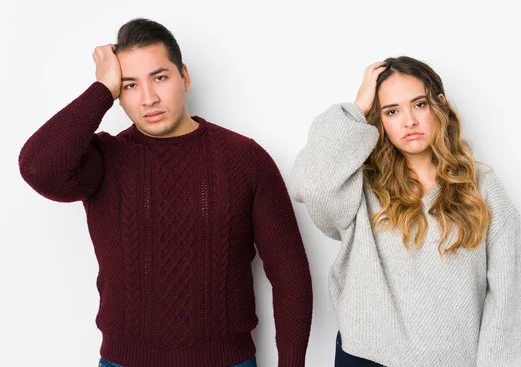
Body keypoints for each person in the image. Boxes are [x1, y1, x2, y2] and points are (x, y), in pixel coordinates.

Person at [19, 18, 313, 367]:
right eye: (128, 85)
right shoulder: (102, 161)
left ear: (184, 77)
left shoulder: (244, 159)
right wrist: (100, 90)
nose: (148, 98)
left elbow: (288, 271)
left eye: (159, 78)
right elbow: (38, 167)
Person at [290, 57, 521, 366]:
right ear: (379, 120)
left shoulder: (482, 187)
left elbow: (506, 298)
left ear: (440, 105)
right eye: (391, 111)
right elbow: (310, 185)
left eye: (419, 105)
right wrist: (355, 110)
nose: (409, 121)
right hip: (366, 356)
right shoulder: (361, 184)